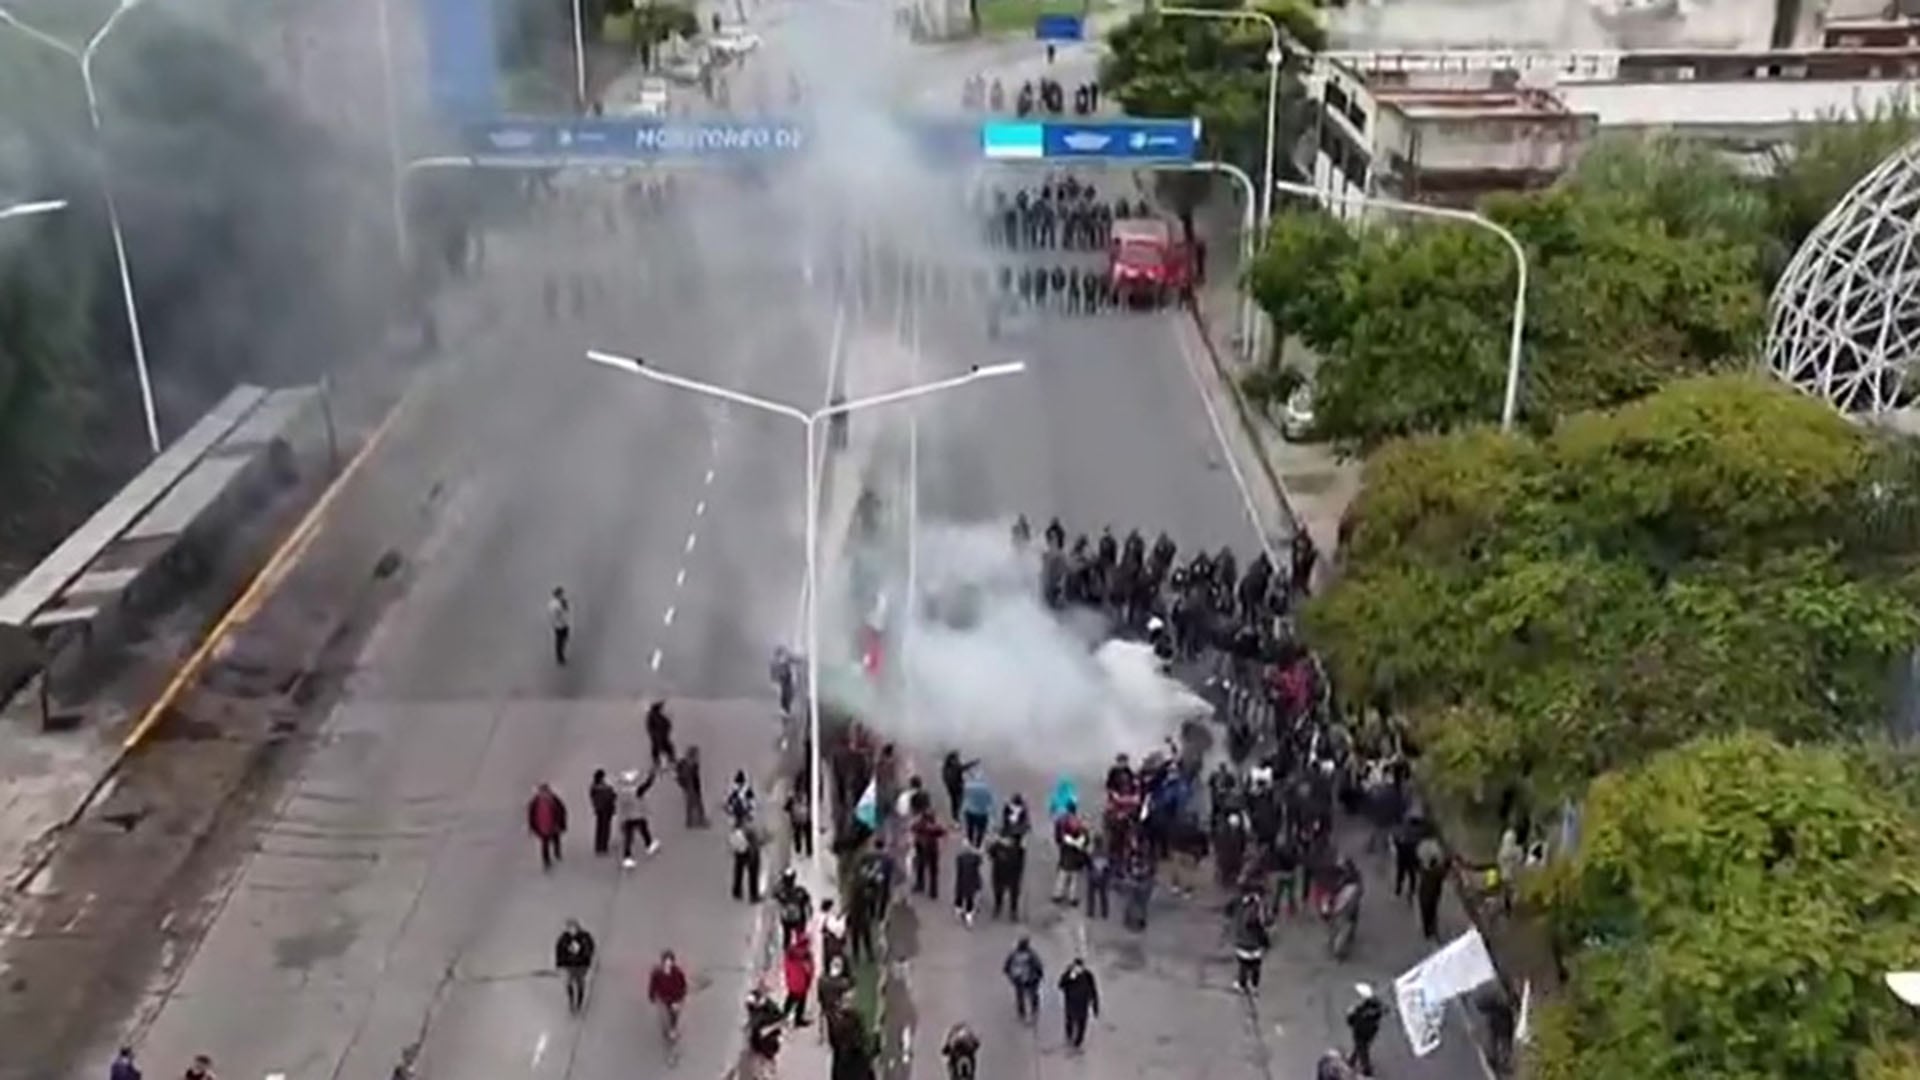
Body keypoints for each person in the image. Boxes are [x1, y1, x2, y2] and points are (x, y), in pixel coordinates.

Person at [617, 768, 660, 867]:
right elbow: (646, 786)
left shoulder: (622, 792)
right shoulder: (636, 791)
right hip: (637, 815)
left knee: (629, 837)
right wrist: (652, 776)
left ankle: (627, 857)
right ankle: (649, 845)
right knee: (643, 830)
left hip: (627, 817)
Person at [1058, 957, 1099, 1052]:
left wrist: (1095, 1006)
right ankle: (1070, 1035)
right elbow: (1061, 985)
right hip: (1072, 1002)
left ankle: (1077, 1041)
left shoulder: (1088, 975)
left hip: (1081, 1003)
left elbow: (1093, 990)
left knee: (1080, 1023)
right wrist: (1070, 976)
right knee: (1071, 1020)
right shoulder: (1070, 974)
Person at [555, 918, 596, 1014]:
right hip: (569, 966)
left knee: (579, 983)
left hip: (581, 965)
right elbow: (559, 951)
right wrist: (560, 964)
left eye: (574, 927)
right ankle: (571, 1002)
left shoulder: (584, 937)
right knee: (569, 983)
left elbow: (590, 949)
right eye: (570, 928)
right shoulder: (564, 939)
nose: (572, 930)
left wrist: (586, 959)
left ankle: (579, 1004)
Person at [1346, 983, 1386, 1076]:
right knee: (1361, 1046)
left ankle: (1366, 1070)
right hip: (1371, 1032)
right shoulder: (1376, 1006)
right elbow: (1382, 1012)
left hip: (1360, 1032)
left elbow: (1350, 1021)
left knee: (1363, 1050)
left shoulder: (1359, 1011)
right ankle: (1352, 1059)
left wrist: (1351, 1012)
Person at [649, 950, 689, 1042]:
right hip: (663, 998)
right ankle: (666, 1028)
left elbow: (683, 984)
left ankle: (672, 1030)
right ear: (662, 962)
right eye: (666, 962)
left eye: (670, 962)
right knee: (663, 1015)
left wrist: (681, 997)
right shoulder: (657, 973)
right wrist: (651, 995)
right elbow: (653, 985)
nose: (668, 964)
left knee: (674, 1014)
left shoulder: (678, 972)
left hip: (675, 998)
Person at [527, 783, 568, 870]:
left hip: (545, 825)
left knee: (547, 842)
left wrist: (532, 826)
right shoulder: (552, 799)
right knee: (551, 841)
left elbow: (531, 815)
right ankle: (553, 857)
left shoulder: (536, 801)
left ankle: (549, 858)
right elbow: (562, 811)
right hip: (548, 825)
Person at [1003, 937, 1044, 1023]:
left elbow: (1006, 967)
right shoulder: (1031, 954)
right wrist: (1040, 975)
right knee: (1033, 995)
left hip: (1018, 979)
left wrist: (1011, 977)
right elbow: (1038, 965)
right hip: (1031, 978)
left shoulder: (1014, 954)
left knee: (1020, 996)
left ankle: (1022, 1013)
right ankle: (1034, 1010)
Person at [730, 815, 765, 902]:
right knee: (753, 874)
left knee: (739, 871)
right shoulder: (751, 828)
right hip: (751, 852)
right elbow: (756, 841)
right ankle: (753, 895)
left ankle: (736, 891)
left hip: (740, 850)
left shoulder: (737, 827)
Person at [782, 937, 816, 1026]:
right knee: (801, 1002)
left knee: (790, 998)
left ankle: (784, 1015)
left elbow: (786, 968)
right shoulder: (806, 956)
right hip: (802, 983)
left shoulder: (791, 954)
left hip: (792, 982)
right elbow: (809, 970)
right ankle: (798, 1019)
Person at [954, 835, 983, 926]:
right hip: (971, 881)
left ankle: (959, 912)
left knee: (960, 897)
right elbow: (979, 862)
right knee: (969, 899)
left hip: (962, 881)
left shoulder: (959, 858)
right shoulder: (975, 858)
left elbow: (959, 869)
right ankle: (968, 917)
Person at [676, 746, 708, 828]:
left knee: (691, 804)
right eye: (697, 755)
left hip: (692, 786)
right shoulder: (689, 765)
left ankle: (691, 821)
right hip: (691, 787)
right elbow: (689, 777)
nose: (698, 757)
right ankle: (700, 820)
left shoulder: (691, 764)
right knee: (696, 804)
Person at [588, 769, 616, 856]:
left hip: (599, 809)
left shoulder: (594, 787)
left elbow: (592, 797)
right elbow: (612, 796)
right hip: (606, 809)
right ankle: (603, 847)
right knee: (605, 828)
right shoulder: (604, 787)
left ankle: (598, 846)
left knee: (599, 828)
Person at [646, 701, 676, 769]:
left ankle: (663, 761)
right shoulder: (655, 716)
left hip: (660, 736)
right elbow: (651, 727)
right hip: (659, 736)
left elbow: (667, 725)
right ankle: (664, 761)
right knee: (663, 747)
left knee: (663, 748)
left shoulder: (656, 716)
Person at [548, 587, 570, 665]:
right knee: (560, 641)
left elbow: (566, 611)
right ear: (557, 594)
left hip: (563, 624)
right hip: (560, 625)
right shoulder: (554, 604)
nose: (562, 595)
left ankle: (561, 655)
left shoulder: (560, 602)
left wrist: (565, 605)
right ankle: (560, 657)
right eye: (561, 594)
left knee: (563, 639)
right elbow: (556, 614)